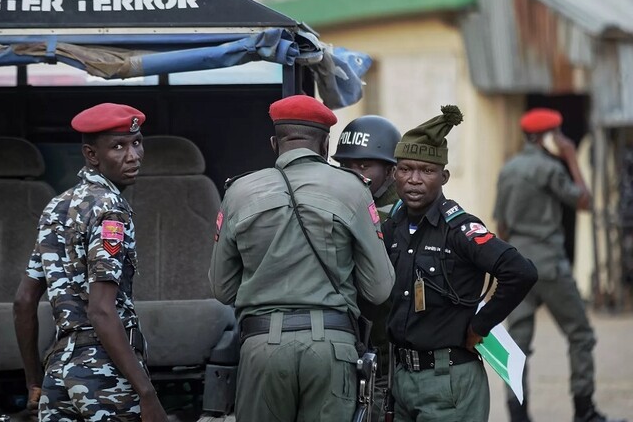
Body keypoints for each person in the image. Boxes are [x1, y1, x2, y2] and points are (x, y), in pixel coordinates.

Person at [209, 94, 395, 422]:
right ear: (325, 145)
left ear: (274, 143)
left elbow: (222, 289)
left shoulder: (238, 192)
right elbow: (378, 289)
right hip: (332, 348)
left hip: (261, 348)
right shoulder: (353, 189)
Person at [13, 103, 168, 422]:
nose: (133, 156)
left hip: (58, 373)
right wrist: (147, 394)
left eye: (137, 142)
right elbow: (100, 309)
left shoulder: (56, 207)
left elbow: (23, 302)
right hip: (105, 374)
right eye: (118, 146)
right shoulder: (110, 209)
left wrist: (34, 382)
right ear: (91, 155)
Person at [384, 105, 538, 422]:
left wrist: (480, 326)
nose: (414, 180)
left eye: (426, 171)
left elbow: (520, 272)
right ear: (394, 174)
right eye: (406, 169)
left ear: (444, 177)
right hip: (401, 380)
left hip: (449, 381)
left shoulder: (459, 229)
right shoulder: (392, 228)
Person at [494, 108, 626, 422]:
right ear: (547, 138)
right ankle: (584, 410)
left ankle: (518, 415)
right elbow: (584, 201)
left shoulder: (508, 169)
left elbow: (502, 227)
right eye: (559, 134)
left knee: (516, 345)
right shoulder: (550, 168)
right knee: (580, 334)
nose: (564, 139)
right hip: (550, 265)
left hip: (517, 266)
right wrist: (571, 157)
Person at [332, 115, 402, 420]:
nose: (354, 175)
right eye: (346, 166)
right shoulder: (338, 205)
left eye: (364, 166)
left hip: (389, 356)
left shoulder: (402, 212)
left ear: (390, 170)